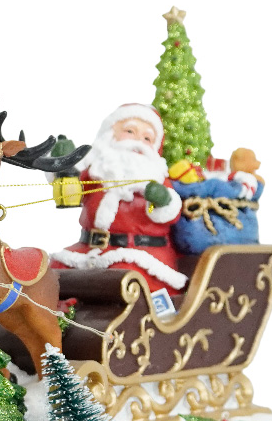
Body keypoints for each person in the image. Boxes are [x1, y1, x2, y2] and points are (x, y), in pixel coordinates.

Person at [50, 103, 187, 294]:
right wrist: (65, 167)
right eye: (130, 131)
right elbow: (70, 193)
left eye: (147, 138)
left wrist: (161, 199)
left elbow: (169, 211)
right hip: (89, 249)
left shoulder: (155, 177)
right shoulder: (97, 172)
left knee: (118, 279)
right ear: (110, 135)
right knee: (56, 271)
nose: (138, 141)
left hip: (141, 255)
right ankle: (63, 309)